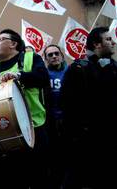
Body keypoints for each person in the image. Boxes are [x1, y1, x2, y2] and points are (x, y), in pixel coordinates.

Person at [61, 27, 117, 188]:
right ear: (96, 44)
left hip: (115, 138)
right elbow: (67, 104)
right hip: (87, 141)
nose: (113, 42)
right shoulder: (78, 69)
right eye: (108, 39)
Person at [0, 29, 49, 189]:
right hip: (4, 134)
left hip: (34, 129)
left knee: (37, 178)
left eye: (1, 39)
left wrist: (19, 76)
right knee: (5, 180)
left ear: (13, 44)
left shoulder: (31, 58)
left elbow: (43, 78)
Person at [43, 44, 67, 189]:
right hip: (50, 121)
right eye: (50, 55)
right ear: (46, 59)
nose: (54, 57)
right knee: (52, 156)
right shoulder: (44, 75)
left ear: (62, 55)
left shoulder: (71, 72)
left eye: (56, 53)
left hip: (67, 120)